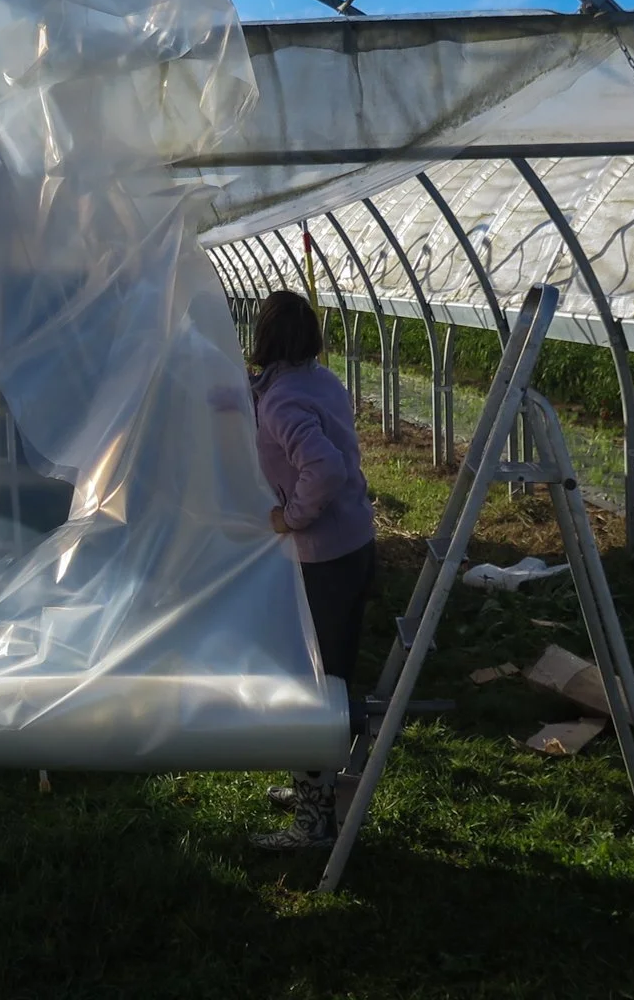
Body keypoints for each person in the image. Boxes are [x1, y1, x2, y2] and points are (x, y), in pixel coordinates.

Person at [243, 288, 378, 852]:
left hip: (326, 554)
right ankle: (315, 784)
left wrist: (291, 517)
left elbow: (321, 468)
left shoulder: (280, 402)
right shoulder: (315, 380)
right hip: (352, 543)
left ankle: (315, 819)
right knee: (331, 672)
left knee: (315, 681)